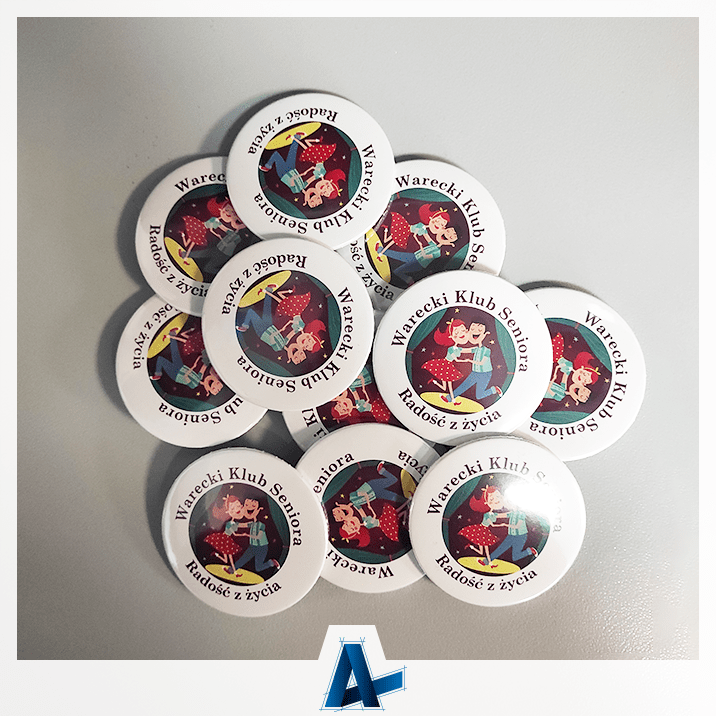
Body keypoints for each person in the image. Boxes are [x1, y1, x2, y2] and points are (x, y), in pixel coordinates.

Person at [150, 327, 223, 395]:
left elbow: (185, 377)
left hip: (176, 374)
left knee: (161, 359)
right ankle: (172, 333)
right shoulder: (200, 377)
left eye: (213, 387)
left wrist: (193, 367)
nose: (211, 381)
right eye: (216, 382)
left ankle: (158, 374)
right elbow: (204, 367)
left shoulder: (194, 385)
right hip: (181, 367)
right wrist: (208, 358)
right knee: (175, 351)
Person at [451, 322, 503, 402]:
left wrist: (470, 361)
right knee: (464, 386)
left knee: (479, 396)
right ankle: (449, 398)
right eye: (472, 329)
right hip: (475, 372)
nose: (475, 332)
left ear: (484, 335)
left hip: (485, 374)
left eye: (479, 330)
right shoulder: (476, 349)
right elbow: (466, 350)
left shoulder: (487, 350)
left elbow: (482, 362)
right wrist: (456, 348)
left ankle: (494, 389)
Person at [230, 498, 280, 574]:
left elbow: (259, 537)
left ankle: (271, 562)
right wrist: (233, 524)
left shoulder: (262, 525)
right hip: (253, 546)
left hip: (261, 547)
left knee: (258, 568)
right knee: (243, 559)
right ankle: (231, 570)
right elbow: (242, 525)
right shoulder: (252, 524)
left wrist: (247, 535)